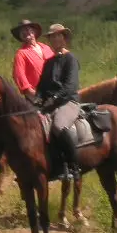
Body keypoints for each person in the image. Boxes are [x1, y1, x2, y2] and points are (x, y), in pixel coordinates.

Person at [34, 23, 82, 182]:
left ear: (64, 38)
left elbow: (71, 86)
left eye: (58, 35)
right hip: (49, 103)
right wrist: (38, 99)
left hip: (68, 102)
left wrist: (54, 99)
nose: (55, 39)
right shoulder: (49, 62)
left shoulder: (71, 59)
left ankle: (73, 166)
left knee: (58, 126)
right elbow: (41, 86)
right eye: (52, 36)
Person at [10, 18, 51, 97]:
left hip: (54, 93)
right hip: (36, 97)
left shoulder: (46, 48)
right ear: (20, 36)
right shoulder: (21, 54)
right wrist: (35, 95)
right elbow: (20, 77)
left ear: (34, 31)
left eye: (27, 29)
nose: (25, 32)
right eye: (22, 31)